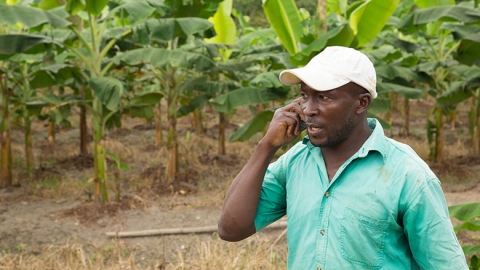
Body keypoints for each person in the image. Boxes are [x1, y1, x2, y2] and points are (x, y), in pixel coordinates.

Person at [217, 46, 468, 269]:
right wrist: (266, 146)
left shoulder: (408, 174)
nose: (308, 109)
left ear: (361, 103)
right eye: (305, 95)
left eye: (324, 97)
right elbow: (230, 229)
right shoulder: (295, 162)